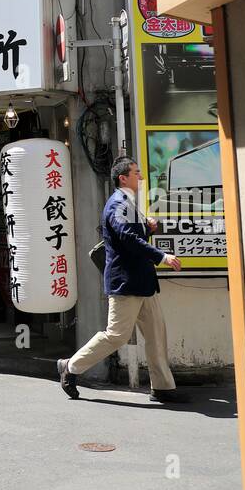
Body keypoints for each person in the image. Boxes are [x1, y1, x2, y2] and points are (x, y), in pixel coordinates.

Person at [58, 156, 185, 403]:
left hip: (142, 282)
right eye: (136, 172)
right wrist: (162, 256)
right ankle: (70, 366)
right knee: (116, 335)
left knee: (156, 333)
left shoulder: (127, 202)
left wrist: (147, 228)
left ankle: (163, 388)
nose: (140, 177)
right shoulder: (118, 204)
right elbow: (127, 238)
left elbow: (130, 234)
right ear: (123, 178)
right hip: (126, 283)